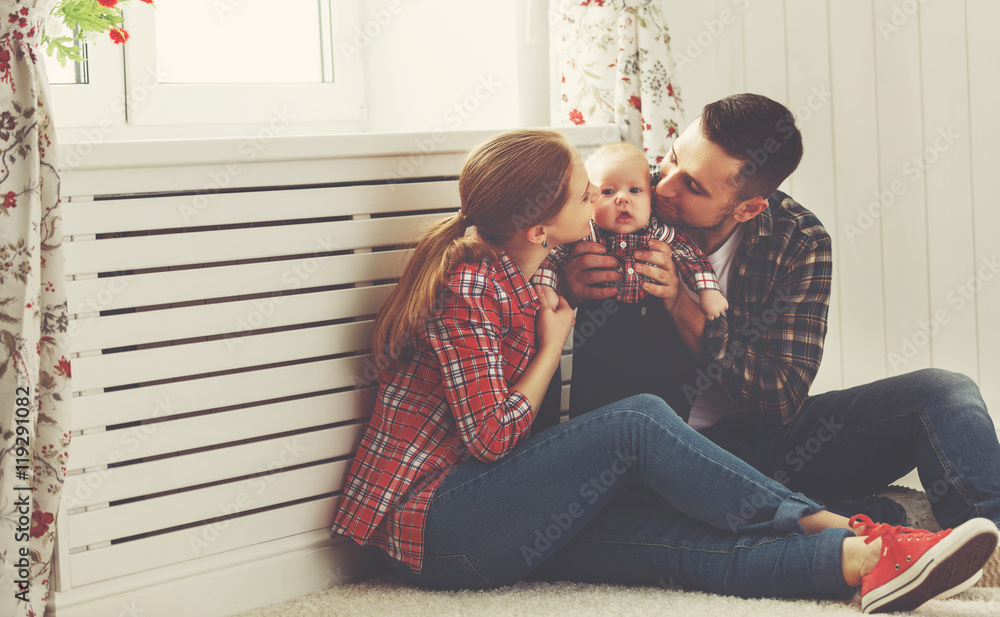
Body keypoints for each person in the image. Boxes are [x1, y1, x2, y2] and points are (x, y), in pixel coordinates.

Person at [328, 128, 998, 614]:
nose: (612, 197)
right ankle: (841, 526)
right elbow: (492, 439)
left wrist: (676, 297)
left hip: (500, 508)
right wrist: (554, 342)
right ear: (542, 227)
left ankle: (862, 564)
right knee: (639, 419)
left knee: (670, 544)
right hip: (435, 526)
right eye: (585, 191)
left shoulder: (536, 266)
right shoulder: (475, 283)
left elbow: (780, 391)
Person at [548, 93, 1000, 540]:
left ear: (748, 207)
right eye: (672, 159)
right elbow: (505, 253)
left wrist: (681, 305)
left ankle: (986, 540)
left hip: (758, 446)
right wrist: (563, 283)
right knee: (635, 510)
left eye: (695, 187)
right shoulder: (619, 193)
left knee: (945, 392)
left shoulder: (797, 239)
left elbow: (780, 397)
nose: (664, 186)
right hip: (649, 451)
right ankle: (859, 517)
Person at [533, 142, 727, 319]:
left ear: (650, 198)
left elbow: (690, 255)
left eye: (635, 190)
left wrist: (708, 290)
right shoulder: (585, 232)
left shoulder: (657, 230)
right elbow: (552, 256)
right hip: (596, 327)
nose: (622, 199)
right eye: (608, 192)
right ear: (590, 198)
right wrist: (546, 287)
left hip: (652, 322)